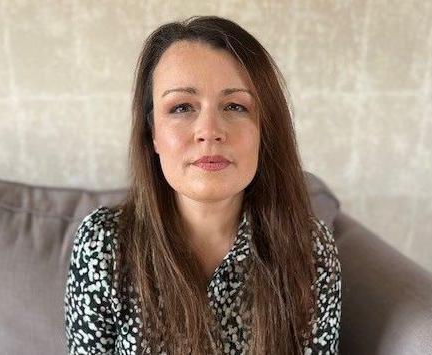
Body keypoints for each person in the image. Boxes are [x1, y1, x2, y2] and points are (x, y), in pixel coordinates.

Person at [64, 15, 341, 354]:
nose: (209, 130)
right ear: (152, 133)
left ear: (264, 131)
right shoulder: (104, 246)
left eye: (235, 106)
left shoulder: (309, 250)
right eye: (181, 107)